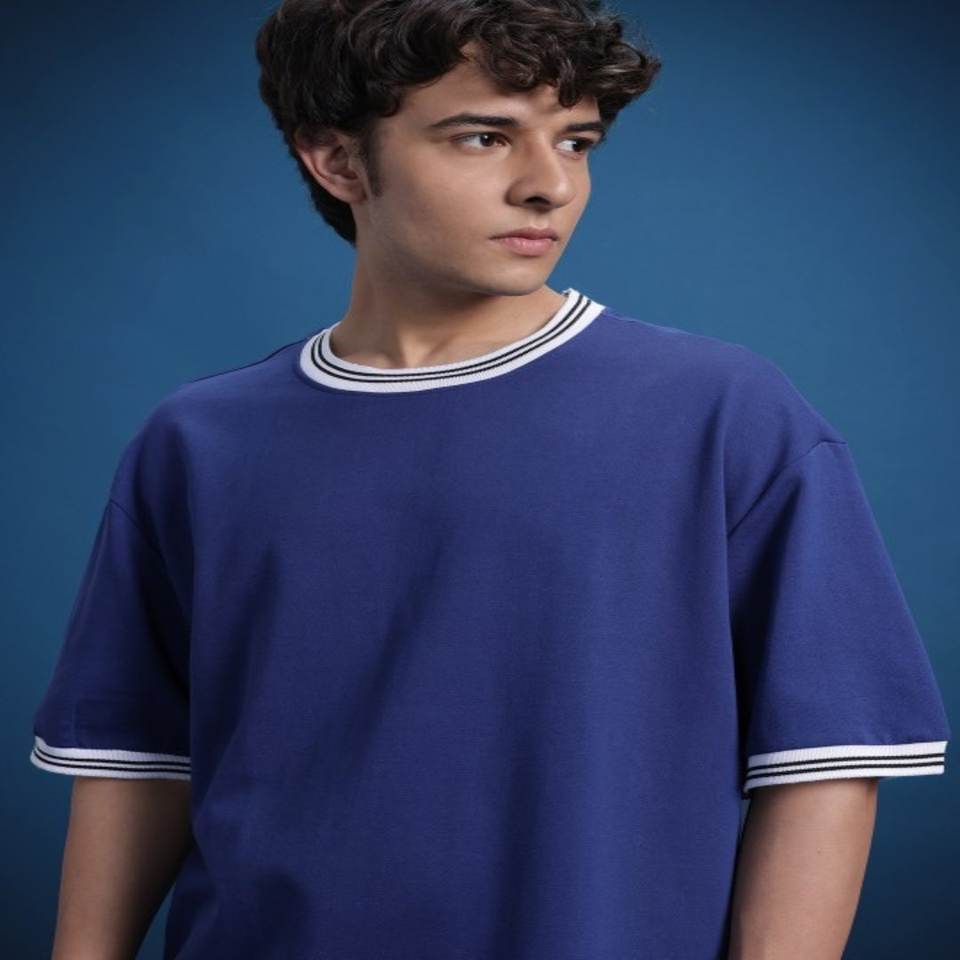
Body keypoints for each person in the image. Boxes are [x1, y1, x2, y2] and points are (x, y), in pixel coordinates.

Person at [30, 1, 951, 958]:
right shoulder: (198, 441)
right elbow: (137, 765)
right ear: (339, 161)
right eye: (484, 137)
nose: (549, 185)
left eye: (576, 141)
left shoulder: (723, 414)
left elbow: (823, 767)